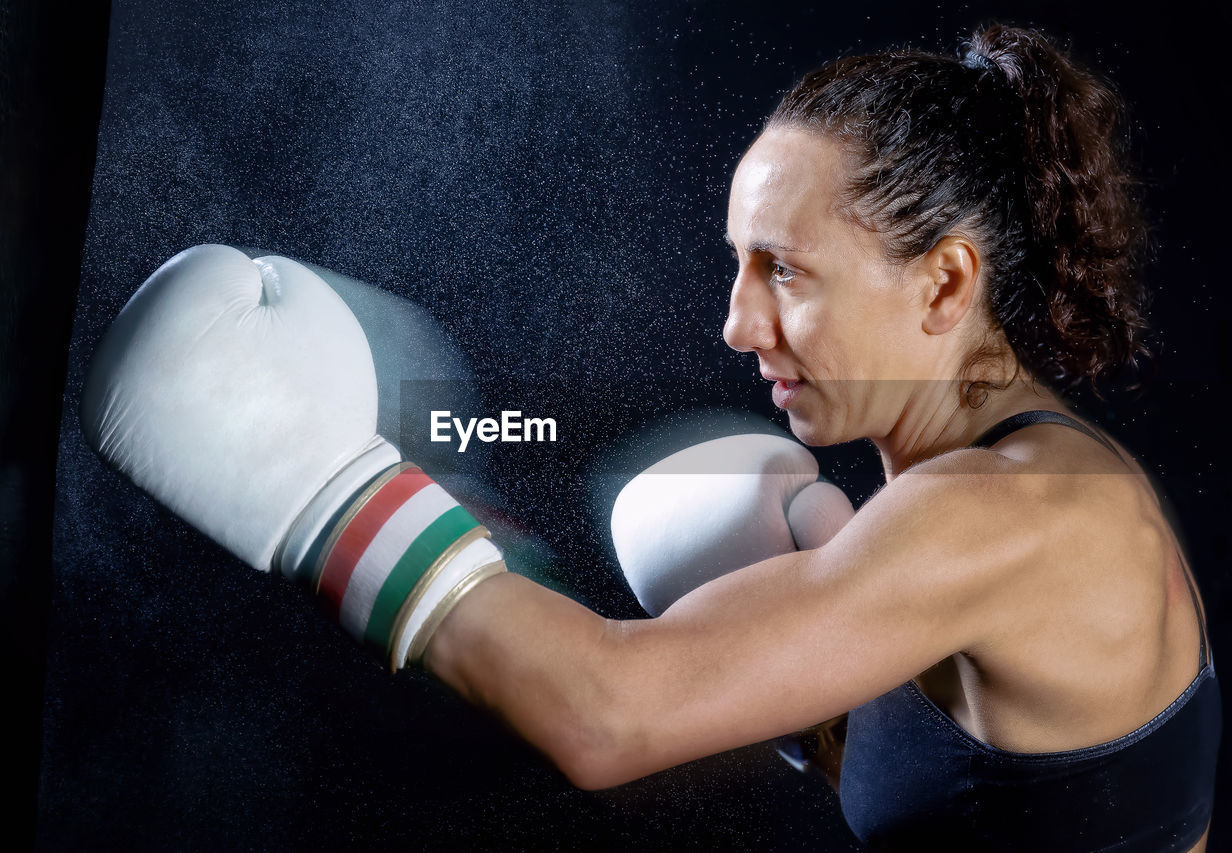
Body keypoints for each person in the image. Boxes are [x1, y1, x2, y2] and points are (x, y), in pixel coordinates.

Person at [80, 23, 1218, 852]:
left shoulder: (1010, 517)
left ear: (943, 282)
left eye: (783, 270)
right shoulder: (1007, 490)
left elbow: (604, 718)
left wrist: (324, 491)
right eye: (736, 262)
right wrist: (823, 719)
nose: (736, 321)